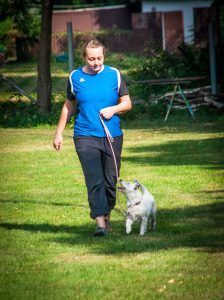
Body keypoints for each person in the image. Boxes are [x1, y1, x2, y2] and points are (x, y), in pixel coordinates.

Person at [53, 39, 132, 237]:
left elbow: (127, 103)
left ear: (104, 56)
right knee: (94, 179)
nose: (95, 62)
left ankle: (106, 215)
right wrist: (58, 133)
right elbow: (69, 106)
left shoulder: (114, 74)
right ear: (84, 58)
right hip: (84, 135)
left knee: (110, 179)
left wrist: (113, 109)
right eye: (91, 59)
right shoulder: (75, 77)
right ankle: (100, 225)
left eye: (99, 58)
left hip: (112, 135)